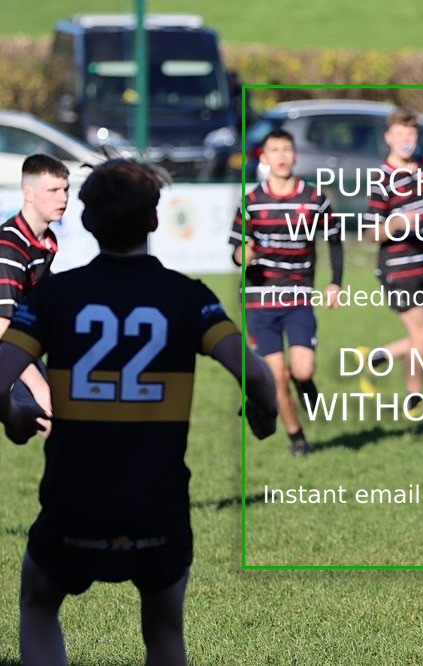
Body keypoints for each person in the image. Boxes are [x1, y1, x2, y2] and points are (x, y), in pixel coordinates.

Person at [0, 159, 278, 665]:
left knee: (39, 605)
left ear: (86, 222)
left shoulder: (53, 298)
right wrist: (264, 412)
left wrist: (11, 415)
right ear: (153, 222)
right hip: (158, 510)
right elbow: (257, 375)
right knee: (165, 634)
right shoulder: (189, 297)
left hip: (73, 504)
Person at [229, 128, 342, 455]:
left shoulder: (315, 200)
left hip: (297, 298)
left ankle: (305, 383)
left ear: (295, 156)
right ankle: (298, 439)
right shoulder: (250, 203)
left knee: (302, 369)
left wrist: (335, 282)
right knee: (276, 376)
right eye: (274, 150)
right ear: (263, 158)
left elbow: (334, 240)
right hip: (258, 301)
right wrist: (243, 255)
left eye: (287, 149)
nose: (281, 156)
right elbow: (236, 251)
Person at [359, 107, 423, 415]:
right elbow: (370, 233)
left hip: (422, 264)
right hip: (398, 269)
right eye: (400, 134)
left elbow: (422, 208)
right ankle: (413, 398)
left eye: (410, 134)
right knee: (421, 336)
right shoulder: (382, 178)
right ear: (389, 138)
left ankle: (376, 356)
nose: (406, 140)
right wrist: (394, 225)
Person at [0, 155, 69, 443]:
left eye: (66, 189)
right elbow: (2, 326)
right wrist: (36, 382)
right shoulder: (10, 248)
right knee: (51, 411)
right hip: (8, 345)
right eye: (53, 190)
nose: (63, 198)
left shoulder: (45, 242)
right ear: (27, 193)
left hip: (14, 348)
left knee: (48, 420)